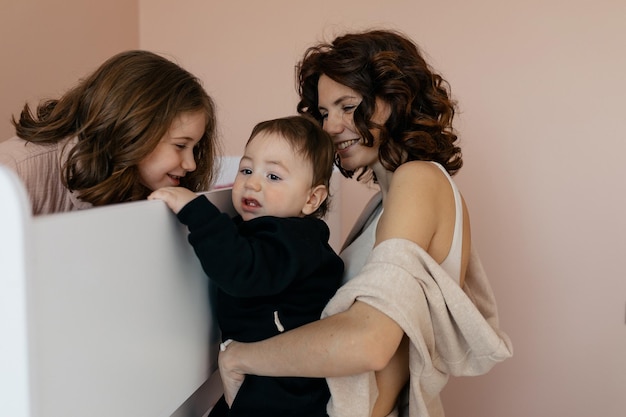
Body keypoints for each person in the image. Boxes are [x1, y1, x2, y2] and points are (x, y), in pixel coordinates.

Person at [217, 29, 513, 417]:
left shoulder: (418, 179)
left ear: (395, 99)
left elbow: (368, 341)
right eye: (324, 112)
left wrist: (239, 357)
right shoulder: (383, 203)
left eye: (347, 105)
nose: (331, 126)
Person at [148, 115, 344, 417]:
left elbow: (242, 272)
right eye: (247, 169)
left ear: (311, 199)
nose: (252, 183)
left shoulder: (295, 241)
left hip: (287, 387)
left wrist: (196, 210)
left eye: (273, 177)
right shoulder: (270, 231)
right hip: (261, 374)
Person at [0, 50, 219, 215]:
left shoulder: (145, 185)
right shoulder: (15, 170)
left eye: (195, 148)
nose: (191, 165)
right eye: (180, 145)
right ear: (131, 130)